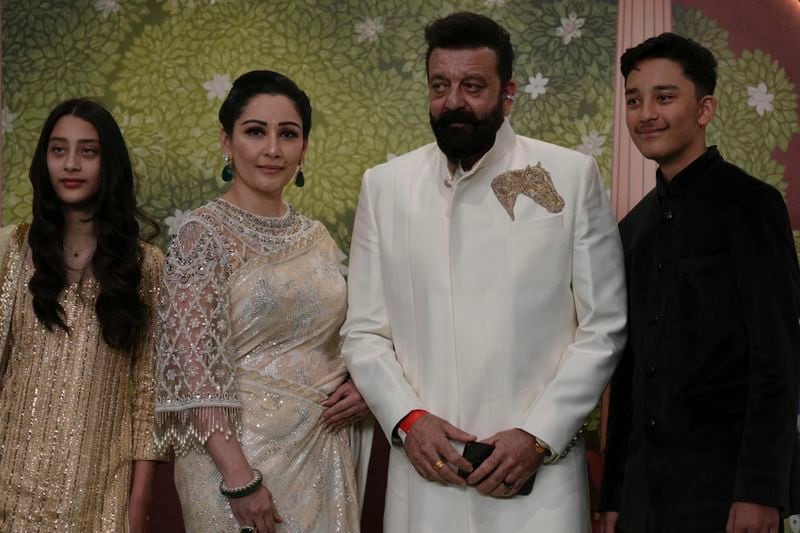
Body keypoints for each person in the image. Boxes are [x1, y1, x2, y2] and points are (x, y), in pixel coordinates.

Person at [341, 11, 627, 532]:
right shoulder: (385, 186)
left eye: (473, 86)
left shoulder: (569, 175)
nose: (453, 102)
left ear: (508, 93)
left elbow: (604, 326)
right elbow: (363, 331)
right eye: (440, 85)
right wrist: (408, 420)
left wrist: (539, 434)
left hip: (537, 487)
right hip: (426, 480)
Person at [599, 33, 800, 533]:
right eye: (633, 100)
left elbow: (777, 357)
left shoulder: (751, 205)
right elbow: (628, 374)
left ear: (705, 109)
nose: (646, 113)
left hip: (728, 492)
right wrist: (614, 496)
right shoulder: (631, 229)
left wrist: (760, 490)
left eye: (664, 98)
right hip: (643, 499)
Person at [154, 70, 371, 533]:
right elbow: (196, 373)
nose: (273, 149)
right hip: (235, 466)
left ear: (304, 148)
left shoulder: (319, 239)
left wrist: (364, 384)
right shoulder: (202, 235)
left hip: (322, 452)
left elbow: (345, 336)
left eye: (287, 134)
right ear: (226, 142)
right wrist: (239, 480)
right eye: (255, 132)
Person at [0, 98, 163, 532]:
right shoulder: (14, 251)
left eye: (88, 151)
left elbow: (149, 392)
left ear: (109, 163)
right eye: (58, 150)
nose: (70, 164)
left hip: (97, 490)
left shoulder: (144, 266)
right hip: (10, 483)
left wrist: (140, 499)